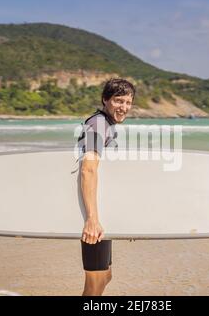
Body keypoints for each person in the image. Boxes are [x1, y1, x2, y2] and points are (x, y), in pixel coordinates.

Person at [77, 78, 135, 296]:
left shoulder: (107, 125)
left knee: (105, 275)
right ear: (105, 100)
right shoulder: (98, 124)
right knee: (95, 281)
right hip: (93, 216)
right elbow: (88, 169)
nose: (124, 107)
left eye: (128, 102)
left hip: (103, 213)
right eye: (118, 101)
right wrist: (91, 219)